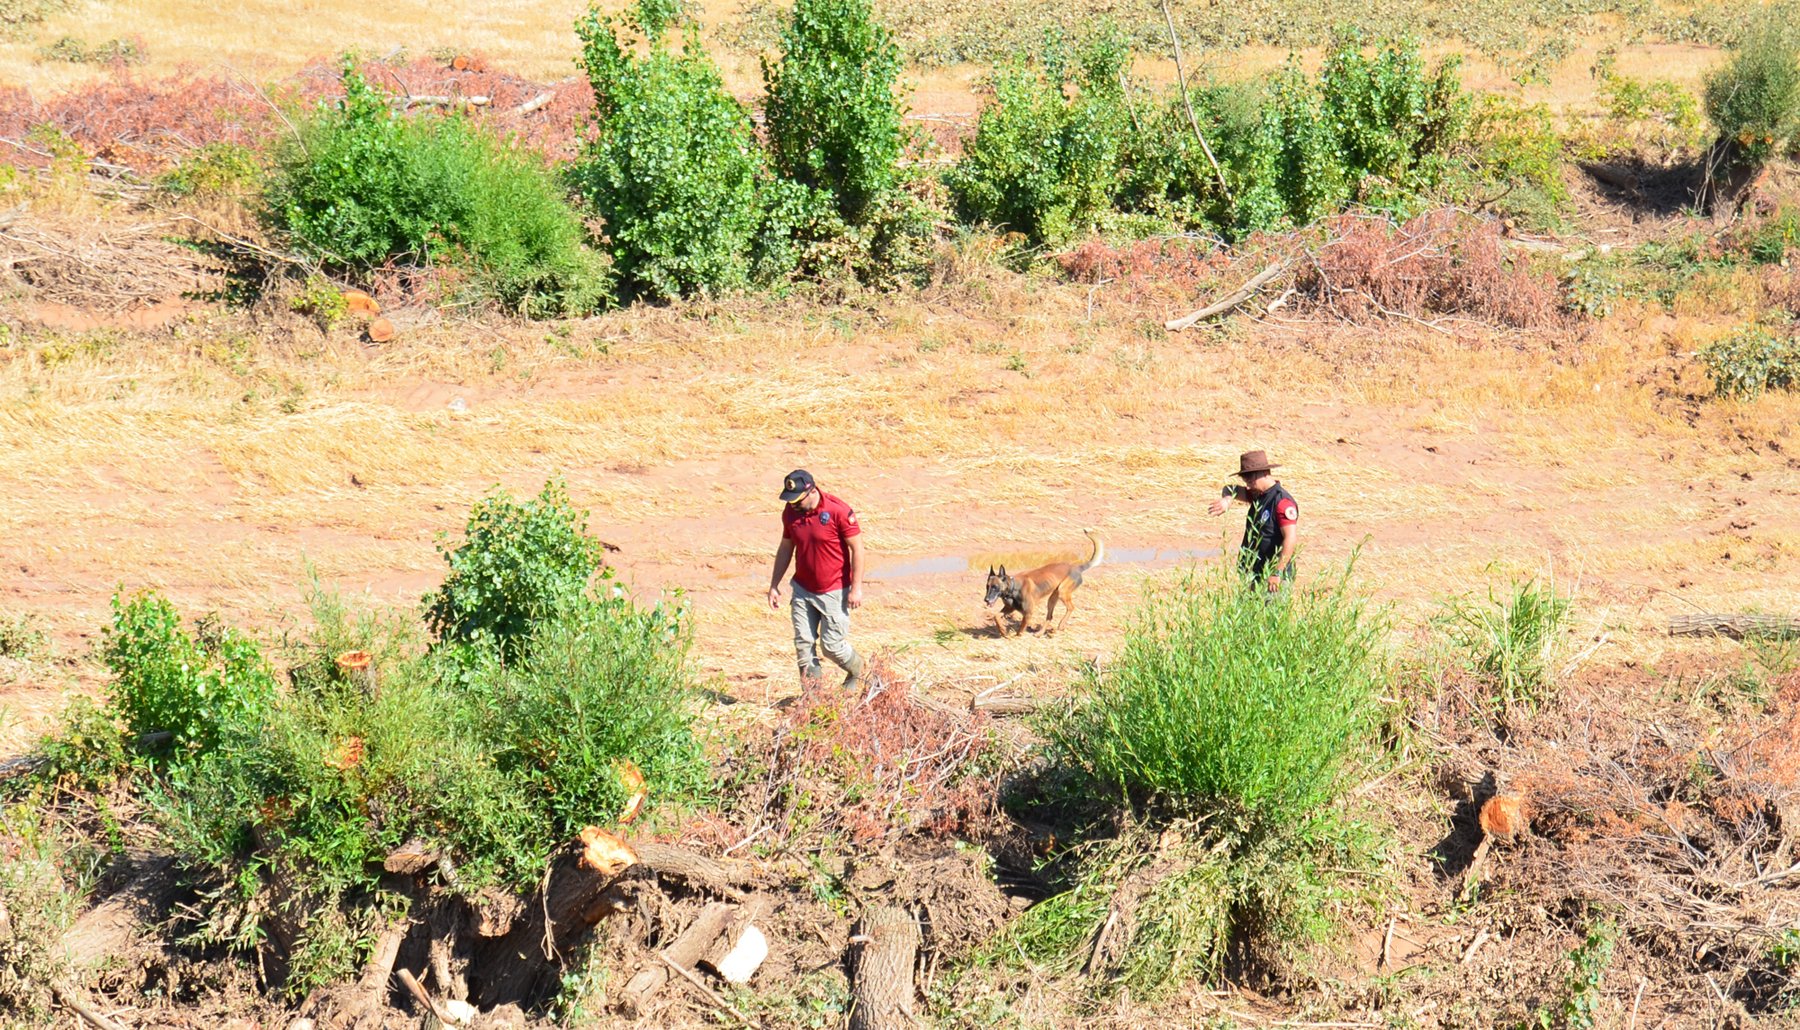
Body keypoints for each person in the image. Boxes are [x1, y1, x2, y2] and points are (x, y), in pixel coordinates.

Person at [767, 469, 867, 687]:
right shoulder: (790, 512)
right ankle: (813, 699)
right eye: (790, 499)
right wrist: (774, 584)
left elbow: (857, 549)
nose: (793, 504)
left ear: (811, 491)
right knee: (803, 643)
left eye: (797, 500)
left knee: (832, 646)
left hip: (834, 589)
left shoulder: (837, 510)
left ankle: (858, 671)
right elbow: (786, 547)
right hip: (803, 589)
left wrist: (856, 588)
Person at [1207, 450, 1298, 593]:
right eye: (1246, 481)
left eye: (1251, 480)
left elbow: (1290, 538)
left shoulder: (1282, 502)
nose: (1248, 486)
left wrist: (1277, 572)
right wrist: (1227, 501)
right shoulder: (1258, 495)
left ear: (1265, 473)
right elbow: (1230, 488)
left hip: (1273, 578)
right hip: (1253, 574)